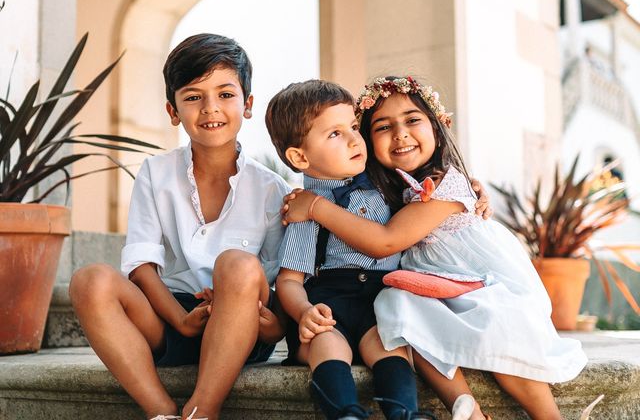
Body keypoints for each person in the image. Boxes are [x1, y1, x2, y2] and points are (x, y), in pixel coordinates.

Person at [281, 76, 590, 420]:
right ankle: (469, 412)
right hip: (427, 287)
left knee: (499, 336)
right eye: (382, 127)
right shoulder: (387, 186)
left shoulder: (444, 182)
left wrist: (315, 207)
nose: (400, 134)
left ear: (437, 125)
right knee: (408, 325)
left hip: (475, 279)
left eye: (412, 120)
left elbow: (386, 242)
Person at [69, 34, 290, 420]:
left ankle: (203, 411)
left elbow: (281, 282)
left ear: (247, 104)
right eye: (193, 97)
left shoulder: (274, 190)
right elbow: (141, 263)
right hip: (171, 316)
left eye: (225, 94)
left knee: (236, 264)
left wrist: (273, 327)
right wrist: (180, 320)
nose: (210, 109)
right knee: (90, 280)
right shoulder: (156, 174)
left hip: (243, 319)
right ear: (173, 111)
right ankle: (161, 412)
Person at [266, 80, 490, 420]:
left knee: (390, 346)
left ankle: (403, 414)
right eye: (335, 134)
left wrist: (472, 187)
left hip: (381, 300)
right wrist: (303, 313)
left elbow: (433, 187)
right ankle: (346, 413)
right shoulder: (304, 207)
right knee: (327, 344)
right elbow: (289, 280)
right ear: (300, 156)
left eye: (354, 127)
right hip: (329, 303)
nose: (355, 139)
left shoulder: (386, 181)